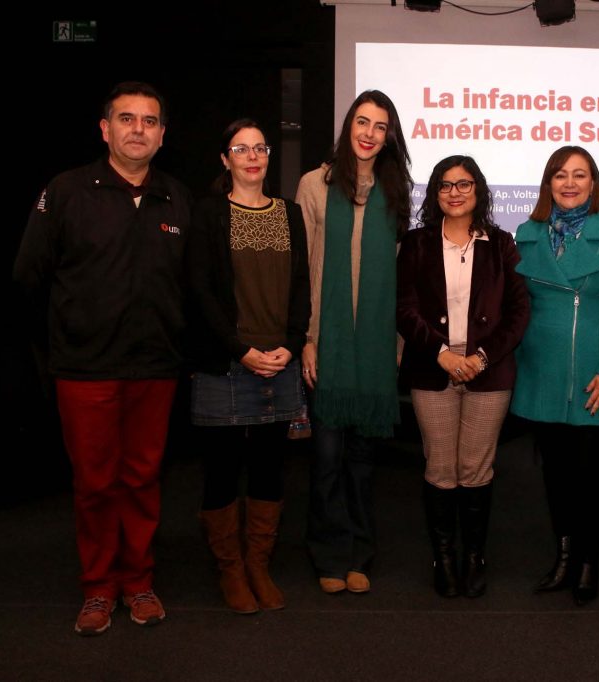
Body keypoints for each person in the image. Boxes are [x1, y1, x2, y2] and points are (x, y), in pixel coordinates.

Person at [13, 82, 191, 635]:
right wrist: (68, 334)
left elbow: (192, 285)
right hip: (85, 369)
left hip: (155, 368)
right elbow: (27, 276)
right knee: (94, 483)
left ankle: (137, 582)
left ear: (163, 135)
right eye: (127, 118)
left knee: (141, 479)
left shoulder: (176, 199)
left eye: (149, 120)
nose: (138, 128)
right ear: (105, 128)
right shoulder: (66, 191)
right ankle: (97, 589)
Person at [511, 146, 599, 606]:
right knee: (554, 473)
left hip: (596, 375)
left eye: (580, 175)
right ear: (548, 184)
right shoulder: (526, 234)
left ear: (595, 183)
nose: (569, 183)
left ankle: (589, 561)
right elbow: (516, 306)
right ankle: (565, 557)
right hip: (542, 371)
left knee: (590, 473)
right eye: (560, 175)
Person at [186, 119, 310, 614]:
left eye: (261, 148)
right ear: (225, 159)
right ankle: (231, 570)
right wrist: (239, 349)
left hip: (278, 360)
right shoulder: (208, 213)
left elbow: (302, 284)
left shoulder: (290, 213)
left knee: (268, 469)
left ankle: (258, 564)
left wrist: (293, 343)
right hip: (226, 361)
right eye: (242, 148)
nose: (253, 156)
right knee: (220, 471)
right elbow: (199, 290)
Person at [295, 90, 412, 594]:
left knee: (363, 464)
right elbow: (303, 271)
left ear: (389, 137)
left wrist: (396, 347)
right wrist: (308, 339)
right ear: (347, 127)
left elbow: (401, 274)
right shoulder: (314, 185)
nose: (368, 133)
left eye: (379, 126)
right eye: (361, 122)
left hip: (375, 350)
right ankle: (328, 553)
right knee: (325, 460)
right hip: (328, 344)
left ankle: (360, 552)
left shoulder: (397, 190)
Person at [397, 156, 530, 598]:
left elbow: (518, 310)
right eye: (445, 185)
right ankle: (444, 557)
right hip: (431, 369)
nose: (455, 192)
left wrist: (482, 356)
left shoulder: (502, 243)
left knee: (475, 469)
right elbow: (405, 308)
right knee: (440, 467)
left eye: (464, 184)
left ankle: (474, 556)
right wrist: (441, 354)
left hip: (487, 372)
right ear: (435, 194)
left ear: (479, 191)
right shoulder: (415, 244)